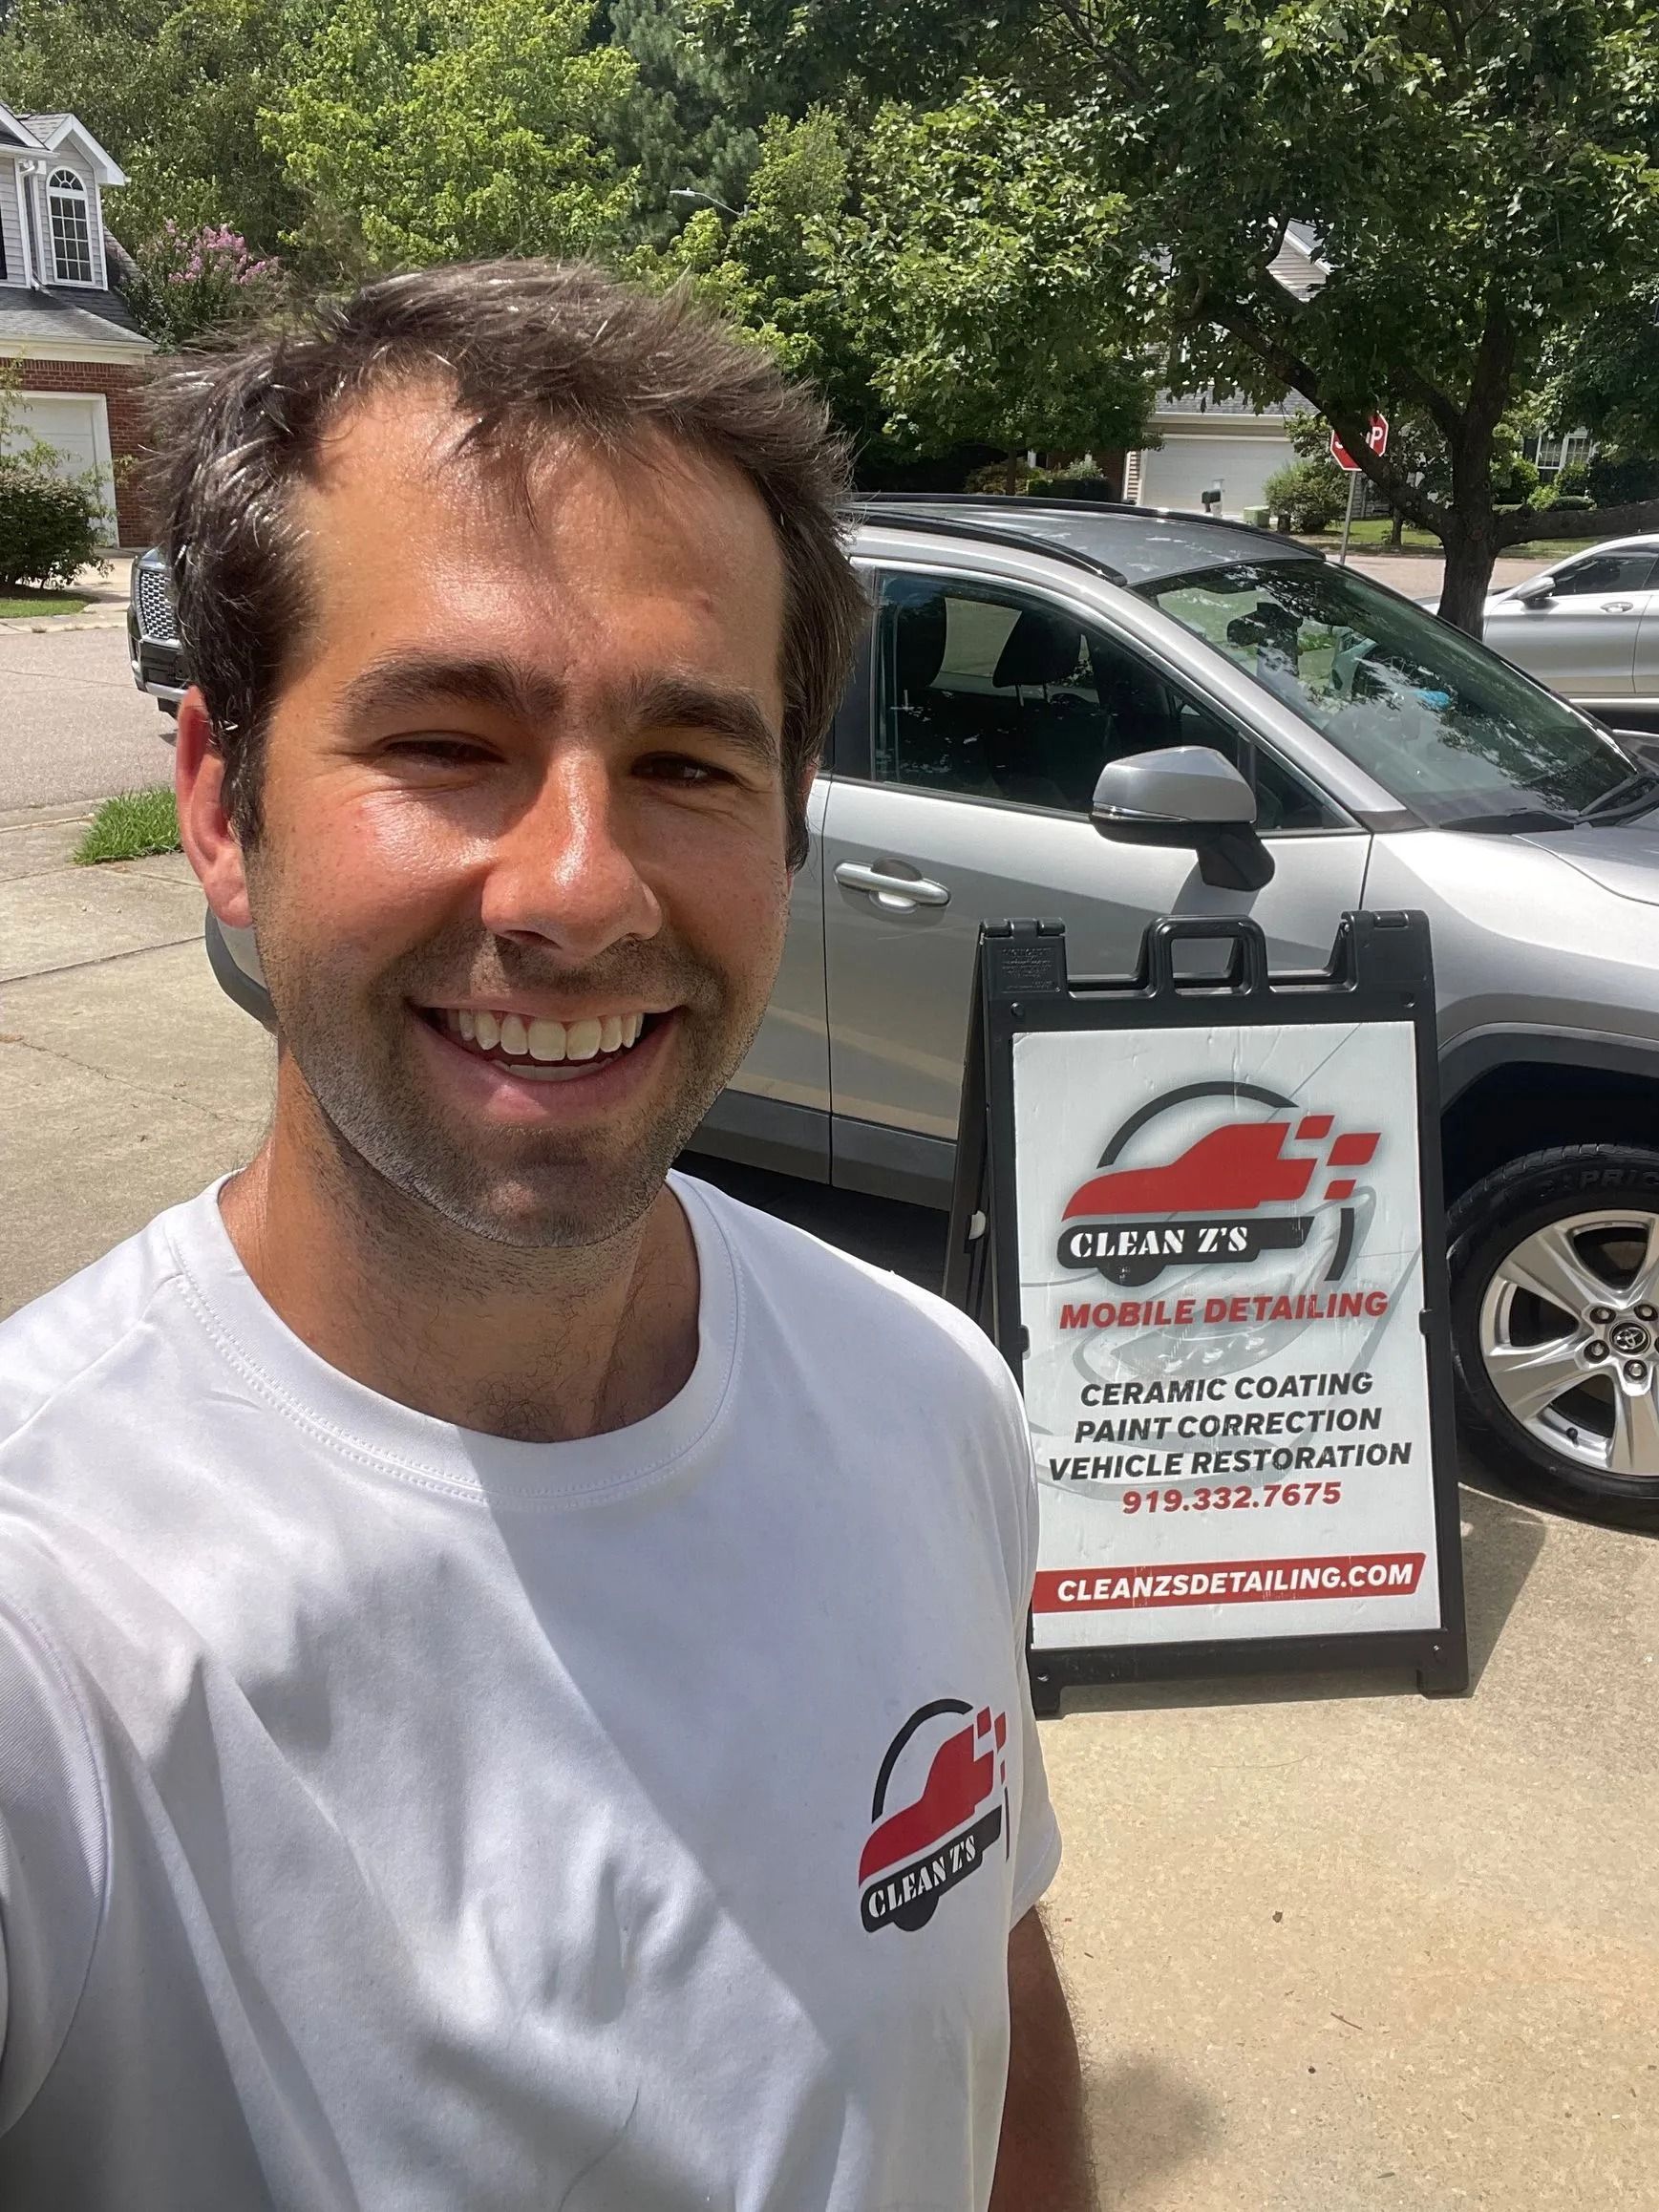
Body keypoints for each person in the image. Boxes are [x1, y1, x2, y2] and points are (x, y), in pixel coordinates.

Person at [0, 261, 1091, 2210]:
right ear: (222, 803)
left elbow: (984, 2007)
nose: (579, 891)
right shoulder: (50, 1616)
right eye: (444, 743)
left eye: (683, 763)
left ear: (787, 822)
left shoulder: (927, 1399)